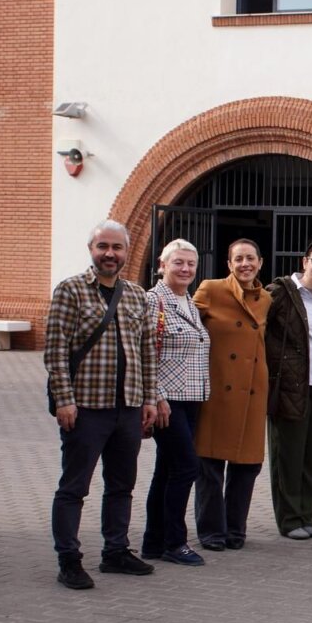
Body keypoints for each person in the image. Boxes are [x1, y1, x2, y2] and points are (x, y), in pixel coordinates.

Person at [45, 220, 158, 589]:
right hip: (86, 409)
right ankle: (69, 559)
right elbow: (56, 350)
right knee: (74, 487)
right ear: (91, 249)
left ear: (127, 251)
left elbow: (147, 351)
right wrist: (64, 400)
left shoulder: (136, 295)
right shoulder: (71, 290)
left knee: (121, 485)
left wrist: (149, 398)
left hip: (128, 408)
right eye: (103, 247)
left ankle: (116, 552)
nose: (110, 254)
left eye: (117, 247)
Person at [193, 238, 271, 551]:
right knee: (210, 464)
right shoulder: (211, 289)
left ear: (260, 263)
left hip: (252, 392)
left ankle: (235, 528)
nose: (245, 264)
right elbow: (188, 327)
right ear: (229, 264)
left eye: (250, 258)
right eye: (238, 259)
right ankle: (212, 530)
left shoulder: (266, 299)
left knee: (247, 465)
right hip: (218, 389)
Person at [141, 239, 211, 566]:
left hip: (191, 398)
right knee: (186, 467)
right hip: (167, 401)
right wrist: (155, 395)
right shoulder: (152, 301)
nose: (185, 269)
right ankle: (175, 542)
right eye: (178, 263)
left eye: (190, 264)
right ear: (162, 265)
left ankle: (153, 542)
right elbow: (143, 351)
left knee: (166, 469)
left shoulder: (188, 301)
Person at [266, 242, 312, 540]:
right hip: (291, 386)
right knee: (288, 454)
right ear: (304, 261)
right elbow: (262, 331)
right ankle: (289, 519)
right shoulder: (281, 292)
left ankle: (307, 515)